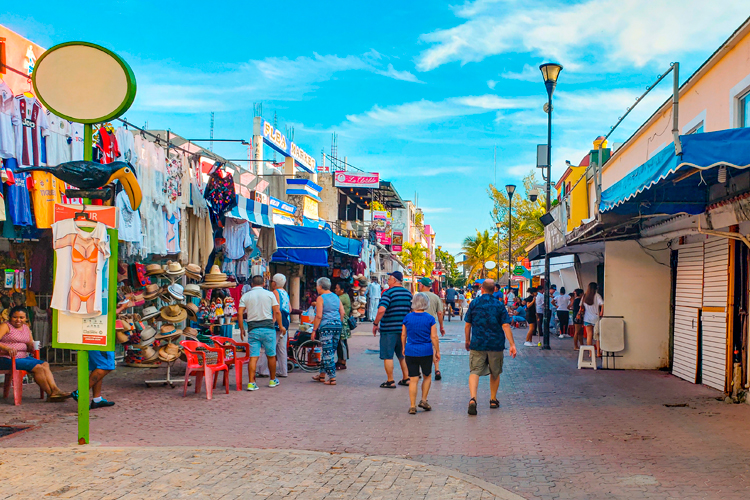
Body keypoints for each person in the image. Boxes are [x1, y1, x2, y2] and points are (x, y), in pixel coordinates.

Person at [464, 279, 517, 415]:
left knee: (475, 371)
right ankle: (493, 399)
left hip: (478, 342)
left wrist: (467, 340)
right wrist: (512, 344)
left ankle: (473, 399)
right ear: (495, 290)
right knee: (495, 371)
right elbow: (505, 325)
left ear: (481, 289)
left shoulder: (474, 303)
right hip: (496, 343)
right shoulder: (499, 305)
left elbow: (468, 324)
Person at [0, 306, 71, 402]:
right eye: (15, 317)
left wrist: (33, 346)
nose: (18, 320)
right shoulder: (5, 326)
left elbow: (29, 343)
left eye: (21, 318)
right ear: (10, 317)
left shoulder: (26, 328)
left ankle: (55, 390)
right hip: (7, 358)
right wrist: (7, 348)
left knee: (45, 364)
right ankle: (50, 394)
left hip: (24, 357)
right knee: (38, 368)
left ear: (26, 318)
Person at [238, 275, 285, 391]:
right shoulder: (270, 294)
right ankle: (273, 380)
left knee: (253, 356)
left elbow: (239, 313)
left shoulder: (246, 296)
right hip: (268, 329)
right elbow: (277, 312)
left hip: (253, 329)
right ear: (264, 283)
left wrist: (241, 329)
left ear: (252, 284)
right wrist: (281, 326)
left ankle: (251, 382)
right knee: (271, 355)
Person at [401, 293, 440, 414]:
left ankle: (412, 406)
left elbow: (403, 334)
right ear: (426, 303)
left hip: (411, 350)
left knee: (413, 379)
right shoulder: (430, 318)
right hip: (426, 351)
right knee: (427, 376)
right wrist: (437, 351)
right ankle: (423, 400)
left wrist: (403, 347)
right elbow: (434, 336)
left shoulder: (407, 318)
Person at [373, 271, 412, 388]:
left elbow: (381, 310)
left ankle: (390, 380)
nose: (388, 281)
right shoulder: (408, 294)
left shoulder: (388, 293)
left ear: (394, 280)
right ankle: (406, 378)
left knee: (388, 355)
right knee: (402, 355)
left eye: (389, 279)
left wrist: (375, 323)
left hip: (389, 329)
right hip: (403, 330)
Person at [311, 277, 344, 385]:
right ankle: (322, 375)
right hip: (337, 325)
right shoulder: (336, 297)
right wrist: (338, 322)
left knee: (327, 352)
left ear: (320, 286)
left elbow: (319, 316)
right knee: (330, 351)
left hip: (326, 326)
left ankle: (332, 377)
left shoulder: (321, 298)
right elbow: (342, 312)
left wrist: (314, 330)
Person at [257, 274, 290, 378]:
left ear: (274, 283)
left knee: (269, 345)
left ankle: (263, 370)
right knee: (281, 348)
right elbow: (290, 308)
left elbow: (276, 308)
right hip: (286, 322)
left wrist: (273, 321)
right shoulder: (285, 293)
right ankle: (283, 371)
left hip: (277, 323)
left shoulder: (275, 292)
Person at [418, 278, 445, 380]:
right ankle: (436, 369)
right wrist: (441, 326)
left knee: (419, 346)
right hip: (432, 325)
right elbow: (439, 313)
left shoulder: (417, 296)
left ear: (423, 285)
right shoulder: (436, 297)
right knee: (433, 347)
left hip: (419, 324)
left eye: (420, 284)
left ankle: (419, 370)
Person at [580, 282, 604, 356]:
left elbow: (581, 307)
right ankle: (598, 352)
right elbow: (602, 304)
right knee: (597, 336)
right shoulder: (597, 296)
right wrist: (601, 312)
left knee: (589, 335)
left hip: (587, 318)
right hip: (596, 318)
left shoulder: (584, 296)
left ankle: (590, 353)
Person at [334, 281, 352, 370]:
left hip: (343, 323)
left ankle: (343, 361)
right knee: (340, 343)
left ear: (342, 290)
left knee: (342, 343)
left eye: (337, 288)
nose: (335, 290)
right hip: (341, 322)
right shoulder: (342, 297)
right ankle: (340, 360)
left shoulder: (342, 298)